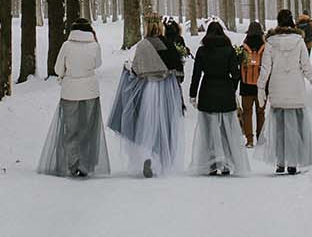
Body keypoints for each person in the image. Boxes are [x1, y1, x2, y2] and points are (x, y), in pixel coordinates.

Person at [107, 14, 185, 178]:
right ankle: (160, 160)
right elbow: (179, 70)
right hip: (167, 91)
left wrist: (128, 68)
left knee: (146, 123)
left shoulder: (143, 45)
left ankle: (147, 155)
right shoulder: (168, 44)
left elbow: (136, 71)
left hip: (148, 90)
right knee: (164, 125)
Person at [37, 17, 111, 178]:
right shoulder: (94, 45)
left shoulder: (66, 45)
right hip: (90, 91)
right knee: (87, 128)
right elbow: (98, 64)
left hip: (70, 91)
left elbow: (58, 69)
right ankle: (85, 164)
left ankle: (72, 164)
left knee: (70, 129)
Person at [257, 8, 312, 175]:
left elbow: (265, 68)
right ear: (292, 22)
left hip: (277, 88)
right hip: (295, 89)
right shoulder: (299, 41)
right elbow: (306, 67)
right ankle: (292, 163)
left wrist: (261, 88)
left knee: (279, 128)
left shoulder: (270, 42)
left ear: (278, 22)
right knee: (294, 128)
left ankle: (280, 162)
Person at [188, 21, 250, 176]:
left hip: (207, 91)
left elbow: (196, 75)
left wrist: (193, 94)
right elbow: (236, 74)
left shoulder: (202, 51)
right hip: (225, 91)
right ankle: (227, 162)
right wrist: (232, 88)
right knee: (227, 130)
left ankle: (211, 163)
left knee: (209, 131)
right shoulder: (229, 50)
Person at [236, 21, 267, 148]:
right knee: (261, 112)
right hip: (261, 86)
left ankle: (249, 140)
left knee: (247, 112)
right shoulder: (265, 48)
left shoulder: (243, 48)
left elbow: (238, 66)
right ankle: (260, 137)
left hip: (246, 86)